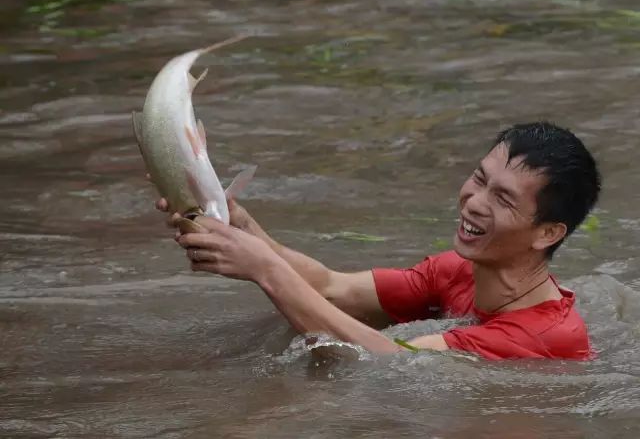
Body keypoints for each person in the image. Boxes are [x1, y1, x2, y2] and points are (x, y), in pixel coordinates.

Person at [157, 122, 601, 360]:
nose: (474, 202)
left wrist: (264, 268)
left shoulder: (547, 336)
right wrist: (238, 224)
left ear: (548, 232)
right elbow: (333, 288)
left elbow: (387, 360)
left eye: (502, 198)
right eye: (478, 179)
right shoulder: (460, 270)